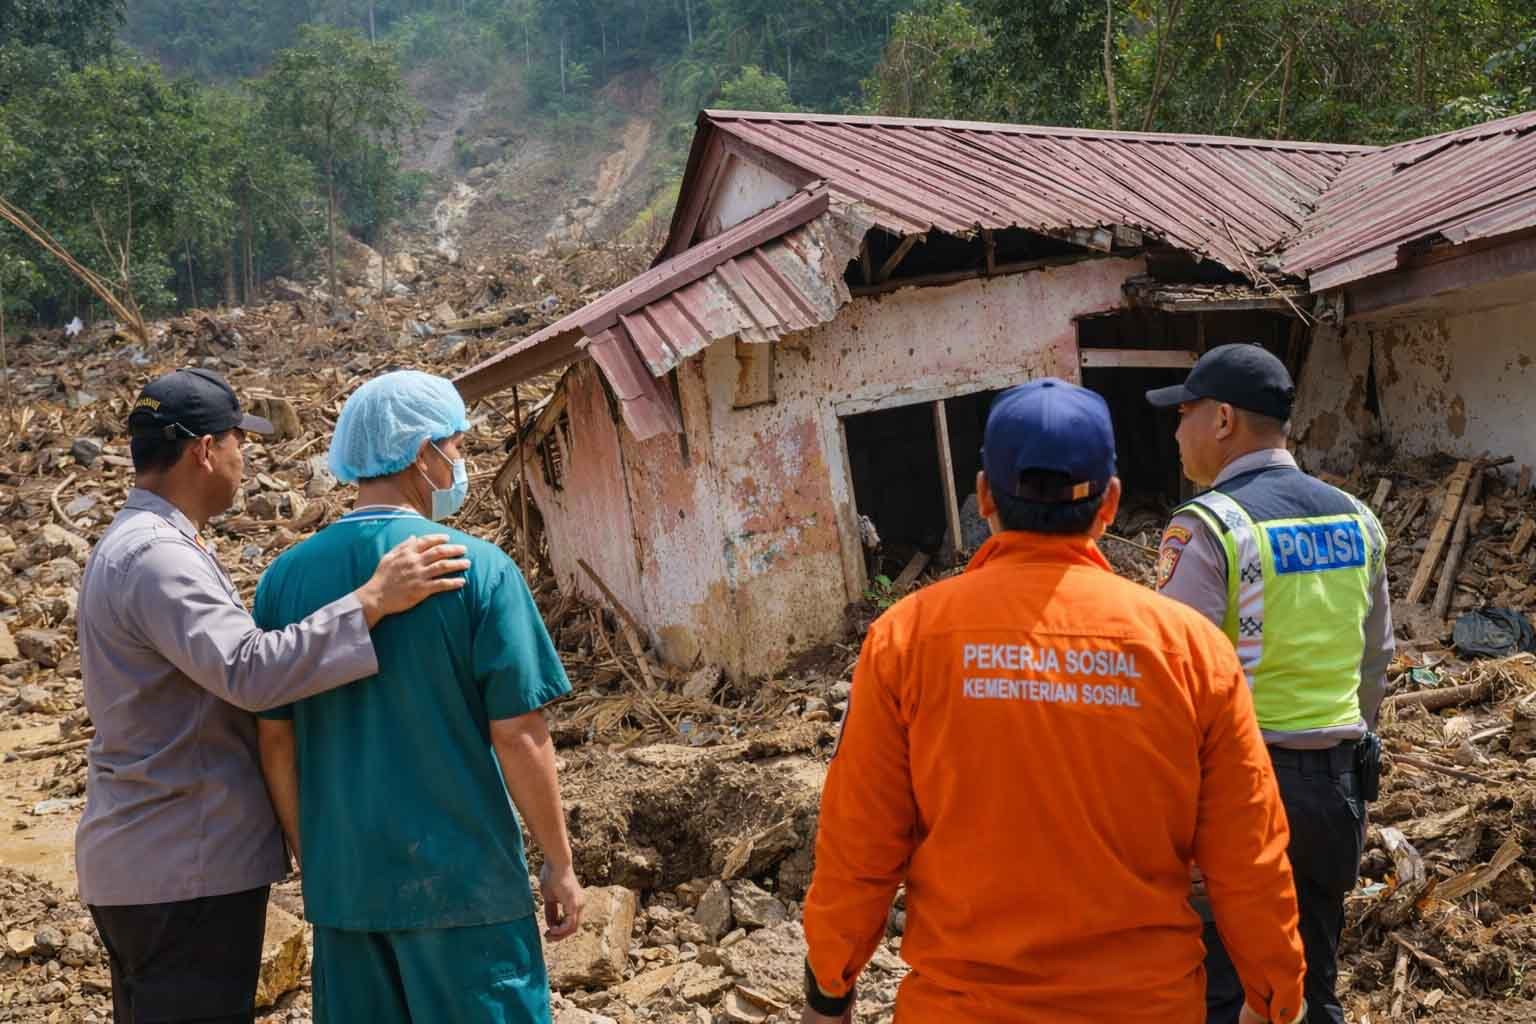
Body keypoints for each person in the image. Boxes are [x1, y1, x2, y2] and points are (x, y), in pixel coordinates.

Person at [799, 378, 1308, 1024]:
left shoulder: (906, 641)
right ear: (1110, 503)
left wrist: (829, 989)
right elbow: (1249, 856)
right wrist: (1276, 996)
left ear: (985, 496)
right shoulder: (1191, 652)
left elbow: (858, 843)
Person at [77, 367, 470, 1024]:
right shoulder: (156, 557)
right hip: (184, 864)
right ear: (206, 450)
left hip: (154, 858)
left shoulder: (136, 544)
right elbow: (251, 671)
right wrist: (372, 600)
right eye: (241, 441)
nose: (246, 459)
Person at [255, 370, 581, 1024]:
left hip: (347, 892)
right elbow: (519, 734)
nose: (461, 463)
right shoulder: (477, 570)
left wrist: (317, 856)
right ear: (421, 454)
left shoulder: (284, 580)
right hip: (464, 888)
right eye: (456, 447)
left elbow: (276, 739)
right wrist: (558, 861)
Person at [1147, 343, 1392, 1024]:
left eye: (1185, 414)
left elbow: (1178, 686)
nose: (1176, 433)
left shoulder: (1207, 526)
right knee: (1313, 990)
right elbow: (1376, 659)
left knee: (1227, 992)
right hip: (1337, 793)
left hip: (1241, 797)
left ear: (1223, 420)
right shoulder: (1357, 518)